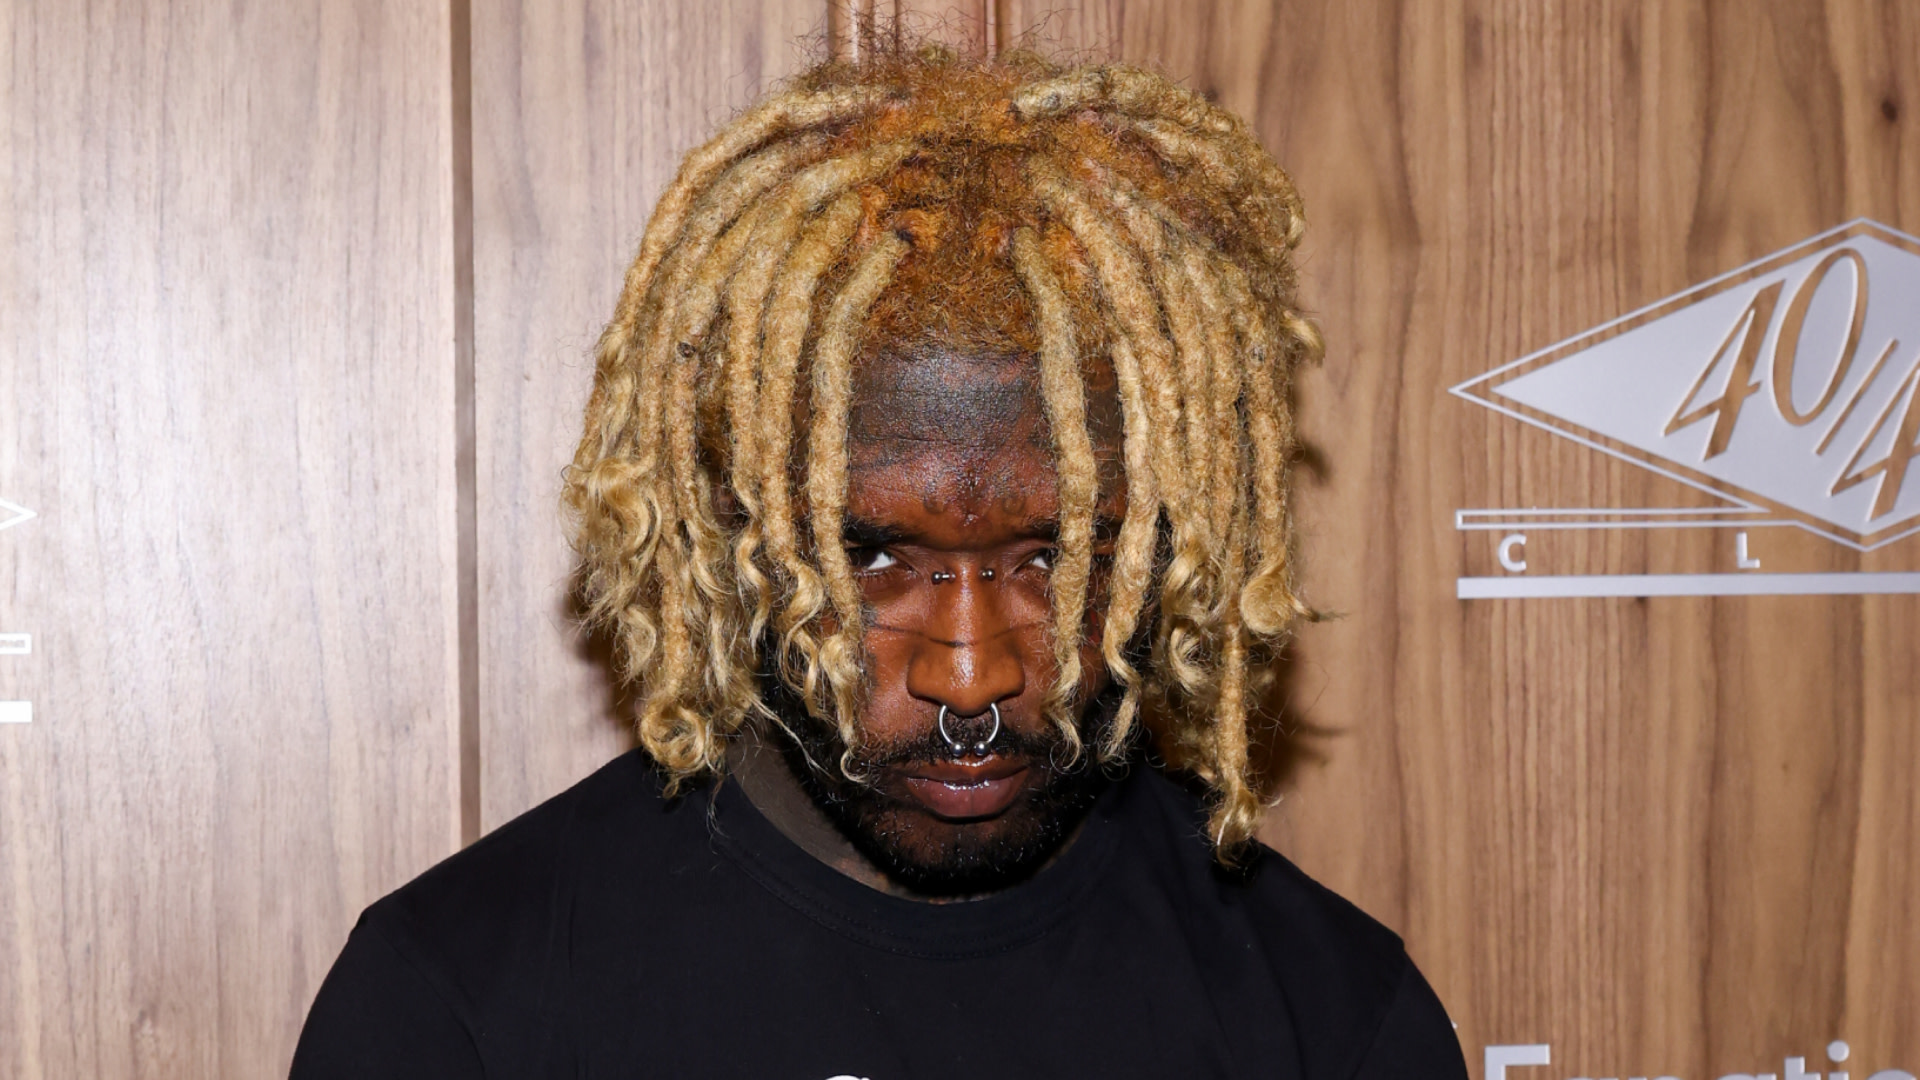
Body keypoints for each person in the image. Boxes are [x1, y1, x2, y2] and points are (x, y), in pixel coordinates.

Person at [291, 39, 1469, 1079]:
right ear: (734, 526)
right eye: (876, 557)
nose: (973, 675)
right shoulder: (458, 1011)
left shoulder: (1331, 1020)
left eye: (1054, 559)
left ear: (1172, 538)